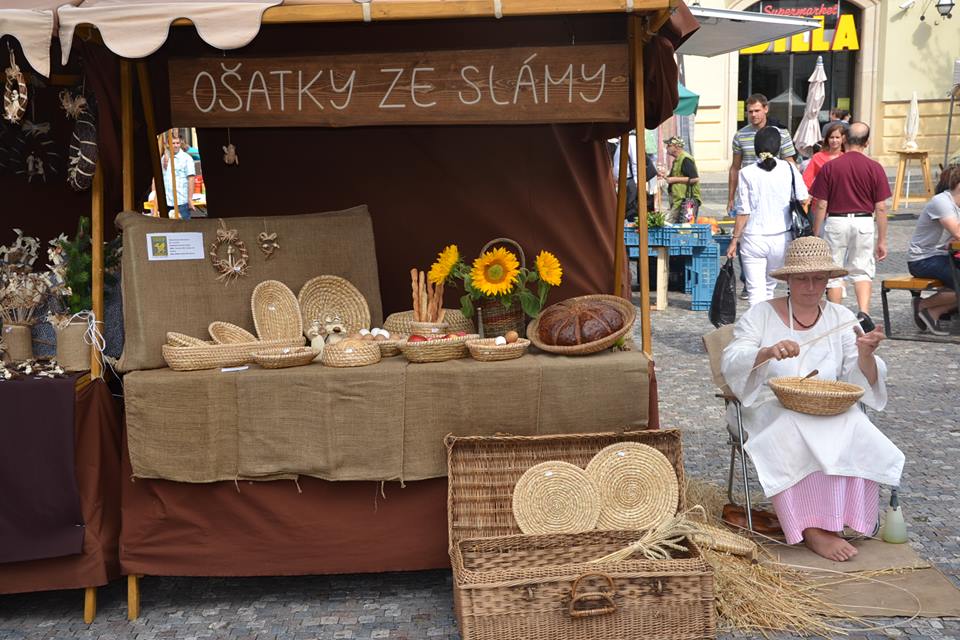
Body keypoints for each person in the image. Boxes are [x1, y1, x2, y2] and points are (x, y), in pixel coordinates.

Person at [721, 237, 904, 562]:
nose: (810, 285)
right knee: (794, 426)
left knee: (855, 423)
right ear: (788, 280)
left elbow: (857, 377)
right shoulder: (761, 315)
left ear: (827, 280)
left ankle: (840, 518)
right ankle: (811, 528)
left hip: (826, 405)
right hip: (767, 406)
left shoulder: (840, 317)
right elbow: (733, 357)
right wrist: (766, 352)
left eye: (818, 278)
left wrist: (865, 355)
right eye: (802, 278)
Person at [810, 122, 890, 314]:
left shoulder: (830, 167)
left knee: (834, 272)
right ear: (867, 142)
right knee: (862, 270)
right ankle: (864, 312)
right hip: (863, 221)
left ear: (845, 139)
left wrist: (815, 233)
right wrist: (882, 240)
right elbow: (881, 208)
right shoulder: (875, 167)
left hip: (836, 220)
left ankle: (836, 314)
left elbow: (821, 204)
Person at [725, 127, 808, 307]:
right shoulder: (790, 169)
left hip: (753, 238)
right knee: (770, 288)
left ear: (756, 148)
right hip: (782, 237)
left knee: (755, 290)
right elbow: (803, 198)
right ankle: (769, 329)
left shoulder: (746, 172)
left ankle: (757, 330)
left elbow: (743, 211)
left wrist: (734, 240)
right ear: (778, 147)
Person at [728, 94, 798, 298]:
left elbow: (790, 162)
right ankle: (750, 279)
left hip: (774, 192)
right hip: (748, 189)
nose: (753, 115)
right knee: (747, 230)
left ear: (766, 109)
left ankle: (762, 283)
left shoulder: (781, 134)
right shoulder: (741, 135)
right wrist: (731, 196)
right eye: (749, 112)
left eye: (757, 111)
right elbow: (735, 167)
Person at [907, 166, 960, 335]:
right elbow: (958, 233)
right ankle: (921, 305)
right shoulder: (942, 202)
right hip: (922, 260)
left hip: (941, 256)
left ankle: (931, 313)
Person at [658, 136, 700, 224]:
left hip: (688, 201)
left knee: (685, 227)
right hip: (678, 200)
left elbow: (695, 178)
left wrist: (673, 180)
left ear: (676, 147)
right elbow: (678, 176)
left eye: (669, 145)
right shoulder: (677, 160)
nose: (667, 148)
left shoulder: (685, 159)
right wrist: (665, 176)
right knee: (677, 226)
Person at [154, 134, 196, 220]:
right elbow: (160, 178)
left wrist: (190, 199)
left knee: (184, 229)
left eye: (178, 143)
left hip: (181, 202)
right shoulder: (164, 159)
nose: (176, 145)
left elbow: (191, 179)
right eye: (173, 143)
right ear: (168, 144)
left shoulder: (186, 158)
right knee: (168, 230)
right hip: (167, 202)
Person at [803, 122, 846, 191]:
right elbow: (807, 178)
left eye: (837, 137)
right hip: (820, 197)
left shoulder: (846, 158)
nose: (834, 140)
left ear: (843, 139)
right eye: (831, 137)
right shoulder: (817, 157)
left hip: (840, 197)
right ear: (827, 139)